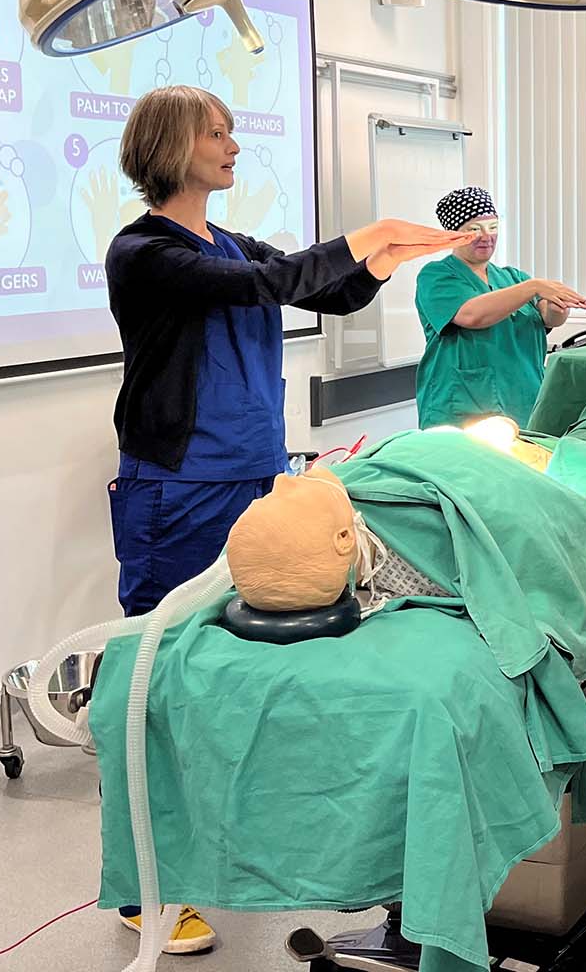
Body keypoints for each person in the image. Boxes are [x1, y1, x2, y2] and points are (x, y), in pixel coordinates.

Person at [104, 85, 467, 953]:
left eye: (233, 128)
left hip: (250, 481)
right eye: (217, 132)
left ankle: (243, 846)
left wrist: (384, 260)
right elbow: (263, 283)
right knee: (161, 673)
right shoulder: (143, 250)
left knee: (248, 674)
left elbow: (324, 292)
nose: (234, 144)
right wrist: (365, 237)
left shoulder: (226, 240)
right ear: (170, 146)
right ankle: (143, 885)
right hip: (176, 487)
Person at [414, 186, 586, 428]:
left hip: (524, 402)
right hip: (462, 409)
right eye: (474, 229)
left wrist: (558, 304)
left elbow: (549, 318)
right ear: (453, 235)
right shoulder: (437, 276)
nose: (487, 236)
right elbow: (473, 315)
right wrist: (534, 287)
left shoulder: (513, 277)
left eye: (493, 227)